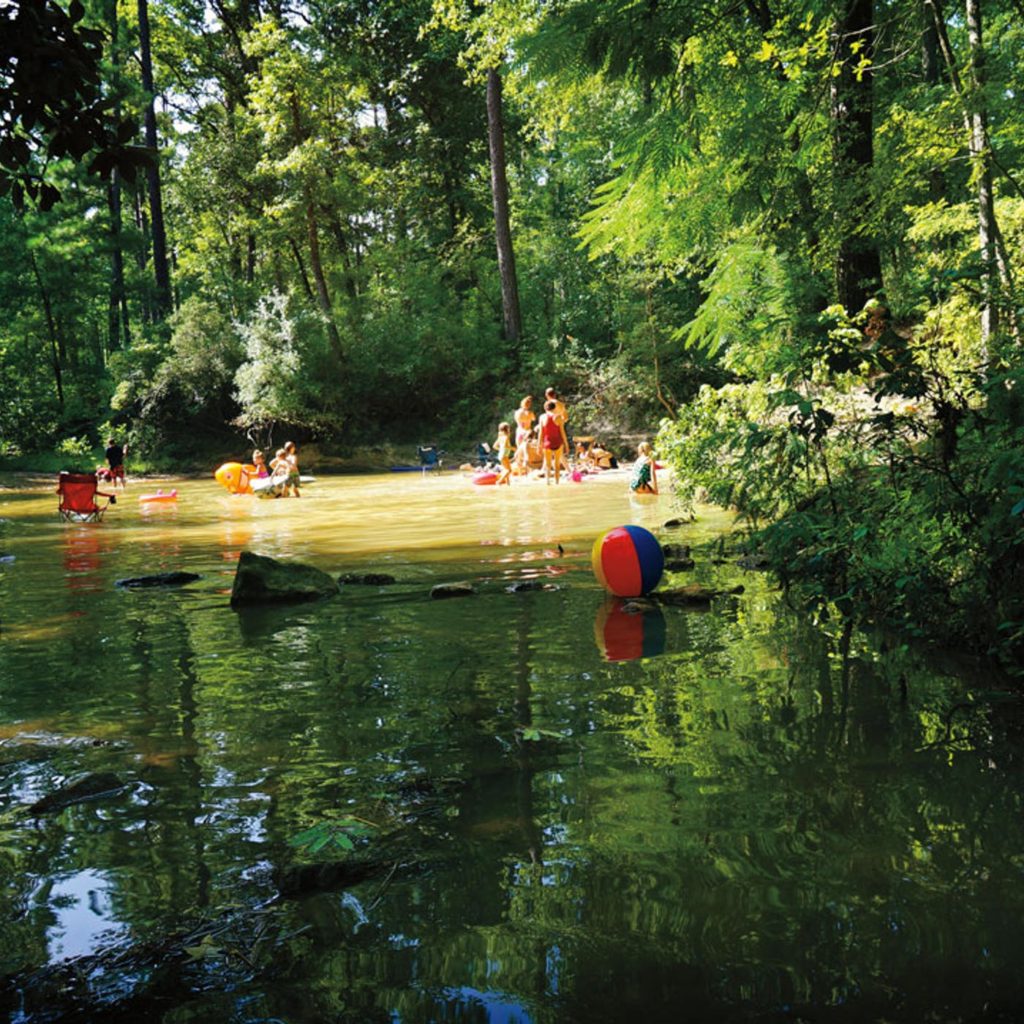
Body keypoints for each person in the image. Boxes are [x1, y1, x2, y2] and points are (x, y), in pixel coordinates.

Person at [538, 399, 565, 484]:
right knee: (557, 465)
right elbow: (562, 432)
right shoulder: (559, 417)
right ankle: (557, 482)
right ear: (554, 408)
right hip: (558, 442)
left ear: (545, 408)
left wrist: (539, 445)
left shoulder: (542, 417)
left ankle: (547, 482)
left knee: (548, 465)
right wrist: (566, 444)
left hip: (547, 443)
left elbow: (541, 433)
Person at [544, 387, 571, 470]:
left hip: (550, 428)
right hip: (559, 426)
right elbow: (566, 417)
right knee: (558, 448)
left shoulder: (547, 404)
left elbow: (547, 418)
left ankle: (567, 469)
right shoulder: (560, 404)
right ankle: (567, 469)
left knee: (548, 448)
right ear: (554, 394)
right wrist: (561, 423)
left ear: (546, 395)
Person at [513, 396, 535, 470]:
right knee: (527, 451)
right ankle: (527, 468)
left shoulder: (517, 412)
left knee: (519, 450)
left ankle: (520, 470)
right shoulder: (530, 413)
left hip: (519, 432)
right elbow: (534, 419)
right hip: (527, 432)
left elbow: (516, 421)